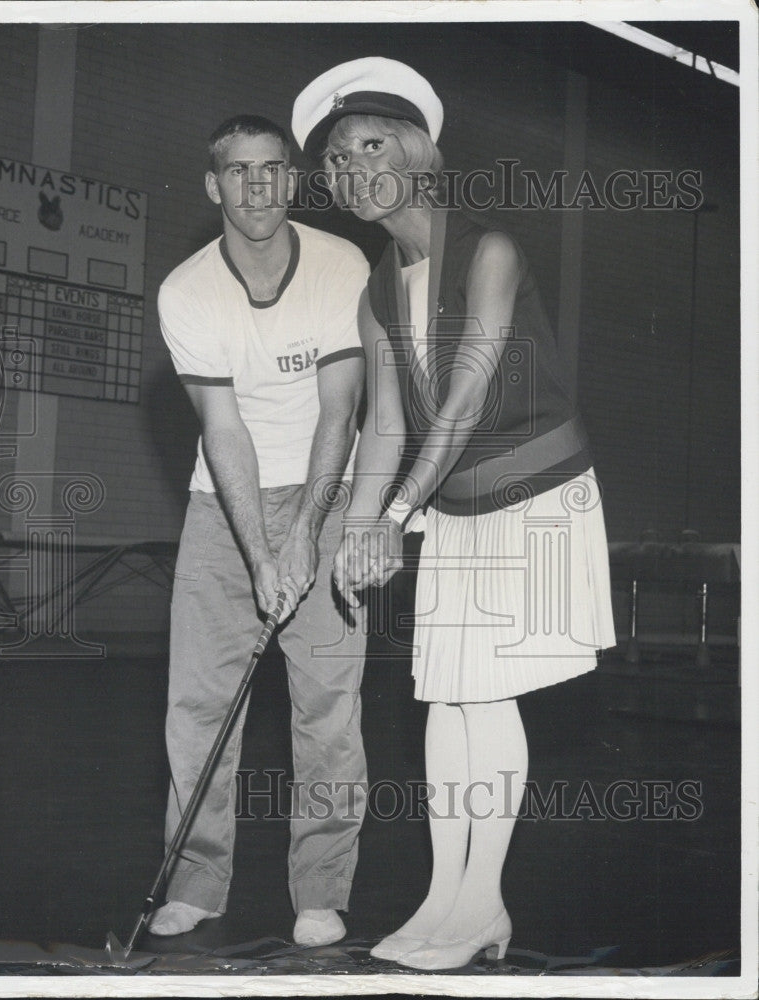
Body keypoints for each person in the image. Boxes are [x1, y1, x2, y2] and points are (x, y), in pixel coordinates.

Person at [292, 58, 617, 970]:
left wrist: (393, 514)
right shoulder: (374, 288)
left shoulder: (491, 248)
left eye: (372, 145)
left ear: (417, 151)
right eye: (338, 159)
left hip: (536, 492)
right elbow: (385, 422)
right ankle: (447, 896)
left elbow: (465, 400)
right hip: (455, 501)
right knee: (445, 696)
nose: (355, 169)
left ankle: (481, 904)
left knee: (489, 692)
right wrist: (360, 526)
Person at [152, 114, 370, 947]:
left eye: (273, 169)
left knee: (326, 708)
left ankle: (320, 888)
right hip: (224, 507)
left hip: (324, 489)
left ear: (293, 180)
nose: (257, 186)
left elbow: (340, 410)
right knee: (199, 708)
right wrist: (259, 550)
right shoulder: (186, 290)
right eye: (238, 172)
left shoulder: (340, 264)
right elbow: (224, 427)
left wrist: (307, 532)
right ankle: (196, 881)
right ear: (214, 188)